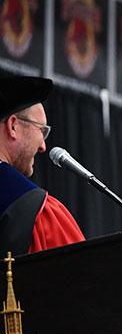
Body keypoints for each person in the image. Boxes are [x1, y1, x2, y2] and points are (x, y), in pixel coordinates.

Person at [0, 75, 84, 255]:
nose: (43, 146)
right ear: (13, 126)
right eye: (41, 130)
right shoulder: (35, 209)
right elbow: (82, 277)